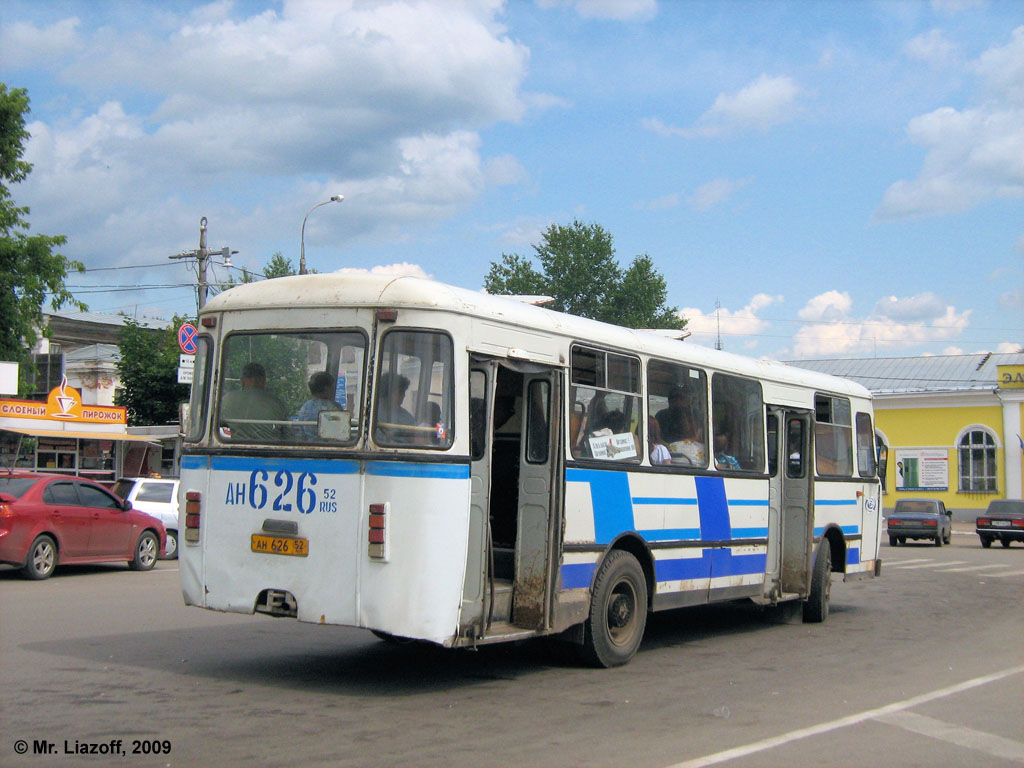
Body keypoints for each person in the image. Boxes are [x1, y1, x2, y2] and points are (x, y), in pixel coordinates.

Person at [220, 362, 287, 441]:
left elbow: (217, 423)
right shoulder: (277, 404)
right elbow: (288, 435)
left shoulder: (228, 399)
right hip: (271, 451)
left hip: (237, 450)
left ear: (242, 380)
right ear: (263, 381)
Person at [294, 372, 341, 439]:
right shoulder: (333, 407)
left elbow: (302, 435)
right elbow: (340, 431)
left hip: (309, 446)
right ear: (326, 388)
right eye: (332, 387)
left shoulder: (304, 408)